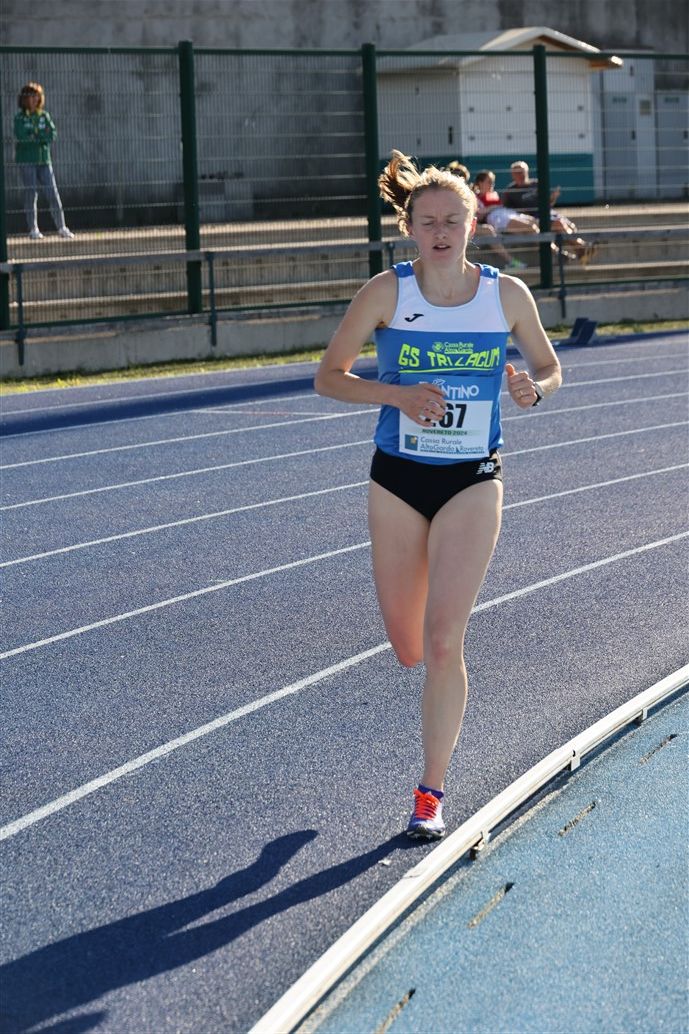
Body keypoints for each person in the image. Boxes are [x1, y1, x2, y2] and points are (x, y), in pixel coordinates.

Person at [315, 150, 562, 840]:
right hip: (398, 479)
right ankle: (420, 672)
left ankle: (430, 793)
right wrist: (395, 395)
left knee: (445, 640)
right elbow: (329, 377)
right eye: (428, 222)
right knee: (408, 647)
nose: (442, 232)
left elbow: (549, 366)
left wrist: (534, 388)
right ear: (410, 229)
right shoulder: (386, 293)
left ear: (473, 224)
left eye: (453, 220)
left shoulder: (506, 296)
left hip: (473, 477)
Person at [501, 161, 595, 264]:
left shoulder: (536, 184)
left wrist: (553, 198)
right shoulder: (510, 191)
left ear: (527, 172)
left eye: (522, 172)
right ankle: (582, 247)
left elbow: (548, 203)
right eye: (517, 172)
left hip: (548, 212)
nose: (521, 175)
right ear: (512, 175)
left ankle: (581, 252)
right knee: (559, 224)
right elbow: (508, 211)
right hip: (533, 218)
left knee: (570, 226)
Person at [14, 82, 75, 241]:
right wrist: (40, 137)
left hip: (44, 160)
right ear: (25, 99)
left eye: (37, 96)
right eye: (31, 96)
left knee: (52, 193)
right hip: (27, 160)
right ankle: (33, 229)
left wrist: (36, 136)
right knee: (31, 193)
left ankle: (62, 227)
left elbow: (51, 133)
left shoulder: (44, 116)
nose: (35, 99)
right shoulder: (20, 117)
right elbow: (22, 136)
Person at [447, 162, 528, 271]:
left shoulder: (466, 194)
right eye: (463, 179)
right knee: (488, 230)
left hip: (467, 224)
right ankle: (511, 261)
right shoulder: (450, 195)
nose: (465, 183)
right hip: (458, 226)